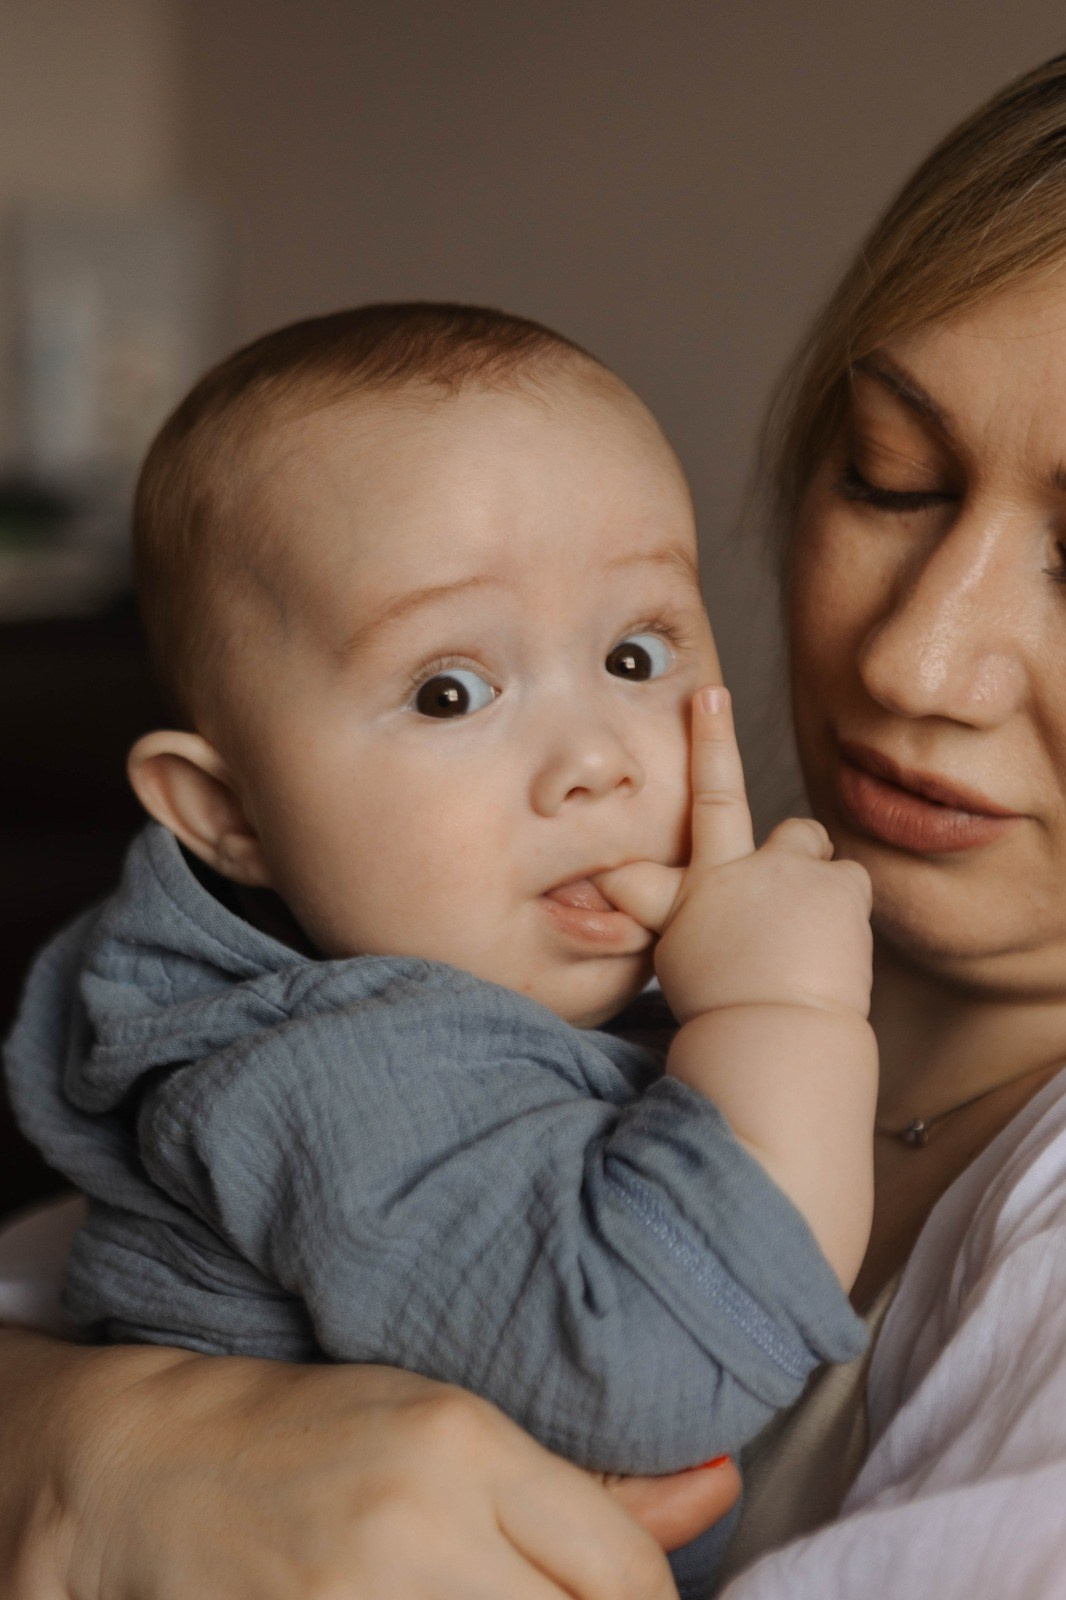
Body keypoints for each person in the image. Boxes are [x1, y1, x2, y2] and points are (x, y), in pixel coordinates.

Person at [6, 46, 1066, 1600]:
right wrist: (89, 1450)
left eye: (634, 655)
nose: (913, 657)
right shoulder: (430, 1002)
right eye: (888, 478)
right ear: (218, 814)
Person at [3, 303, 876, 1599]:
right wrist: (781, 1010)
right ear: (227, 816)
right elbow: (649, 1364)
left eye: (633, 654)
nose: (594, 762)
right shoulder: (337, 1069)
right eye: (449, 691)